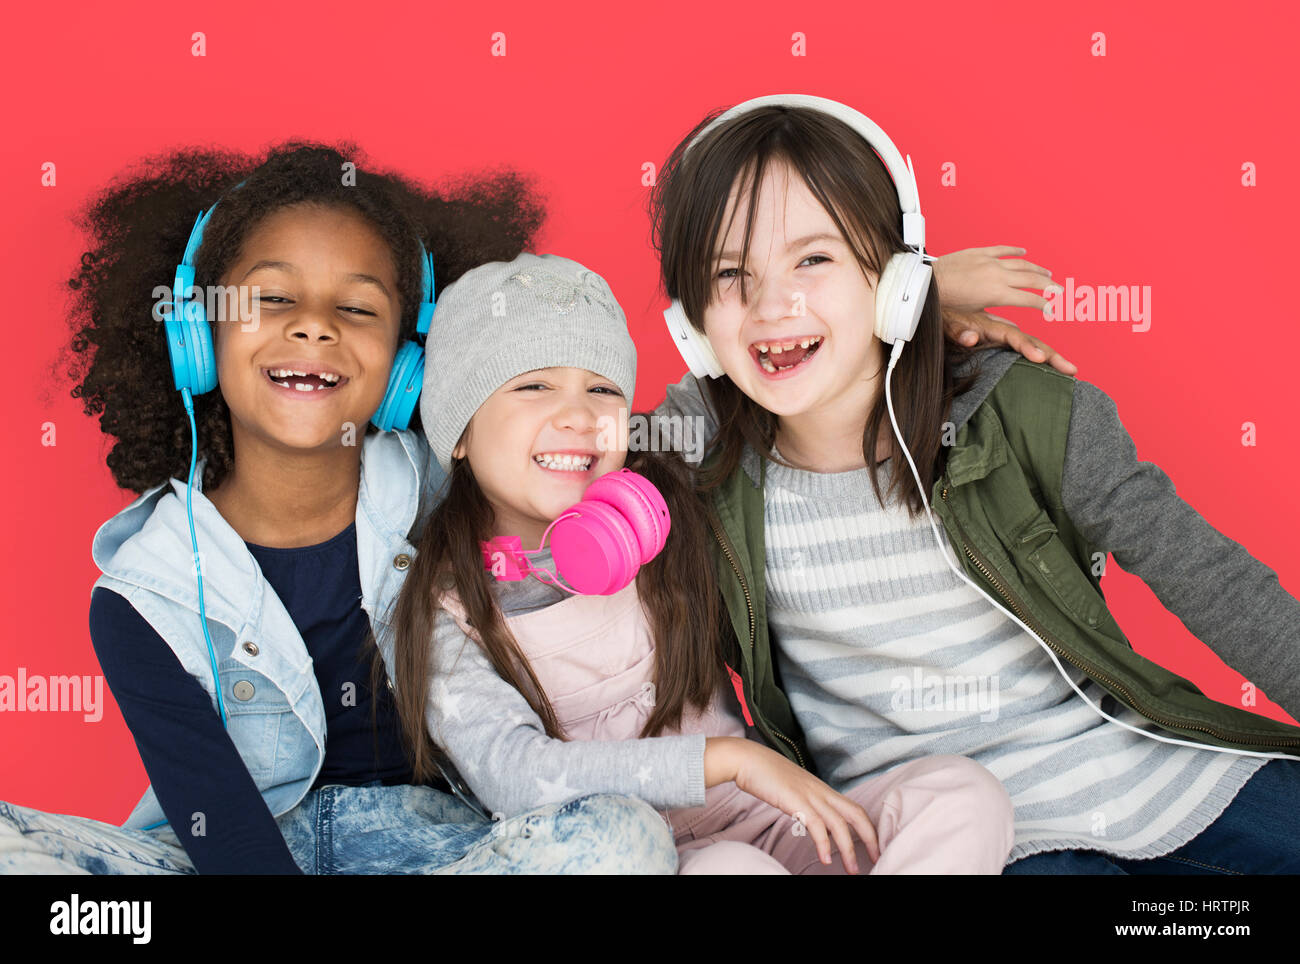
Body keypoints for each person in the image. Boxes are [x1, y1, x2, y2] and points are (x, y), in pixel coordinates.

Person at [648, 94, 1300, 873]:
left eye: (813, 259)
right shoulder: (697, 463)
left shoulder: (1019, 411)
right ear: (690, 325)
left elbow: (1213, 580)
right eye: (730, 273)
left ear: (890, 277)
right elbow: (557, 458)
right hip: (942, 833)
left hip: (1144, 768)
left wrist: (913, 299)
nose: (770, 305)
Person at [0, 144, 676, 875]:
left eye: (356, 308)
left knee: (623, 837)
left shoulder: (453, 491)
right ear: (196, 333)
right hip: (234, 856)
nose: (314, 326)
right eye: (272, 298)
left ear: (405, 365)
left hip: (445, 849)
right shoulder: (144, 595)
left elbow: (572, 473)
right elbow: (222, 830)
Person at [380, 251, 1017, 874]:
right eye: (534, 385)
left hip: (775, 818)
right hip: (662, 856)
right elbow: (518, 776)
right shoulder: (447, 610)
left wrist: (907, 306)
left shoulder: (661, 495)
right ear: (457, 432)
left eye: (602, 389)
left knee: (962, 795)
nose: (579, 415)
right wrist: (728, 760)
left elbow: (756, 384)